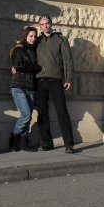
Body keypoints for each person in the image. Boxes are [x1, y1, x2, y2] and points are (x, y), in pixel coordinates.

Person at [35, 14, 75, 153]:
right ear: (40, 26)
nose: (45, 26)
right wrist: (15, 65)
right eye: (42, 24)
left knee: (62, 111)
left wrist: (68, 78)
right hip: (40, 81)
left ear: (51, 24)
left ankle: (69, 144)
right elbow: (25, 51)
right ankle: (46, 143)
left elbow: (67, 60)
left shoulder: (61, 39)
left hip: (55, 80)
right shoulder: (37, 41)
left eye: (47, 23)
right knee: (42, 113)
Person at [9, 27, 41, 151]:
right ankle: (14, 137)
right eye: (30, 36)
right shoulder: (19, 49)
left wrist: (30, 67)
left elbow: (23, 66)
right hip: (19, 86)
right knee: (26, 115)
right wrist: (35, 68)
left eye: (35, 36)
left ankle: (24, 142)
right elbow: (18, 65)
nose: (33, 38)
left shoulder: (34, 50)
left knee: (28, 116)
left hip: (31, 87)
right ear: (25, 36)